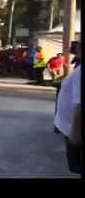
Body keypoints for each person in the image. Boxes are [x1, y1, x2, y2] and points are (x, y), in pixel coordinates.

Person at [54, 41, 81, 174]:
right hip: (70, 126)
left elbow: (80, 104)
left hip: (74, 130)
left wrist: (75, 133)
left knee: (76, 167)